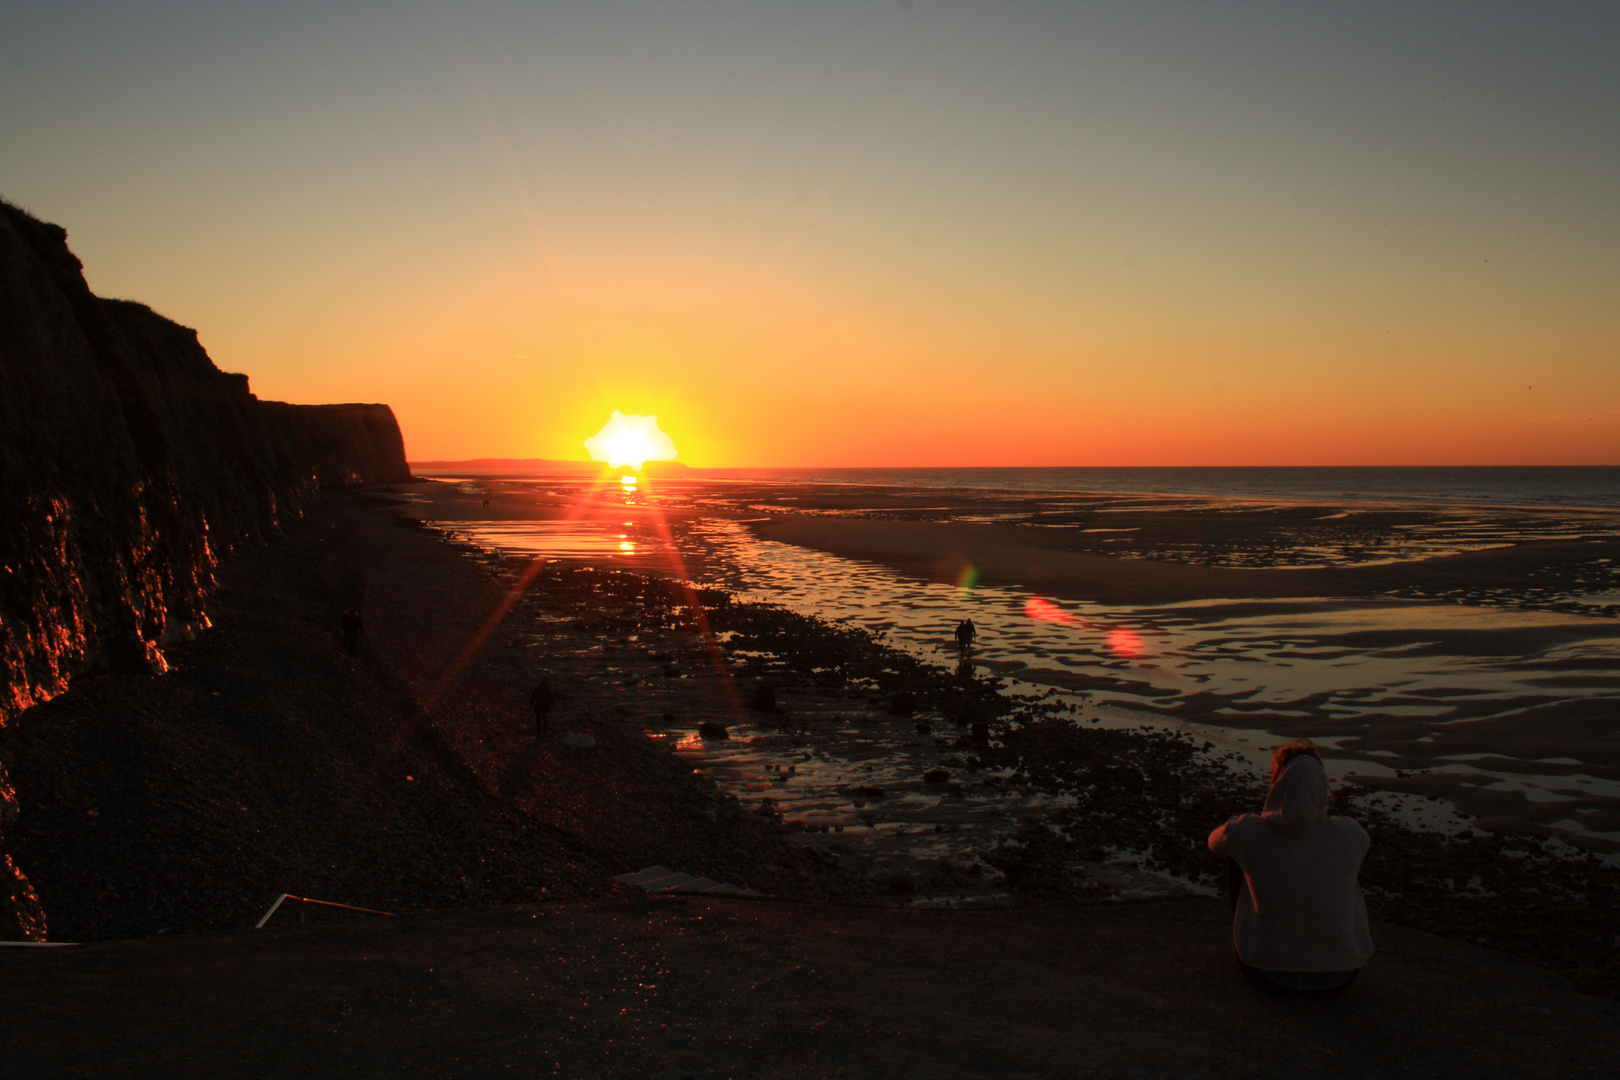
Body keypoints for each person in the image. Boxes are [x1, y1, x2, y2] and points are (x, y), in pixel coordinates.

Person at [1207, 741, 1372, 996]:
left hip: (1264, 973)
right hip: (1340, 977)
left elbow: (1214, 843)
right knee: (1344, 859)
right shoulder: (1349, 832)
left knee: (1235, 854)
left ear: (1278, 781)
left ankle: (1260, 940)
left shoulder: (1248, 830)